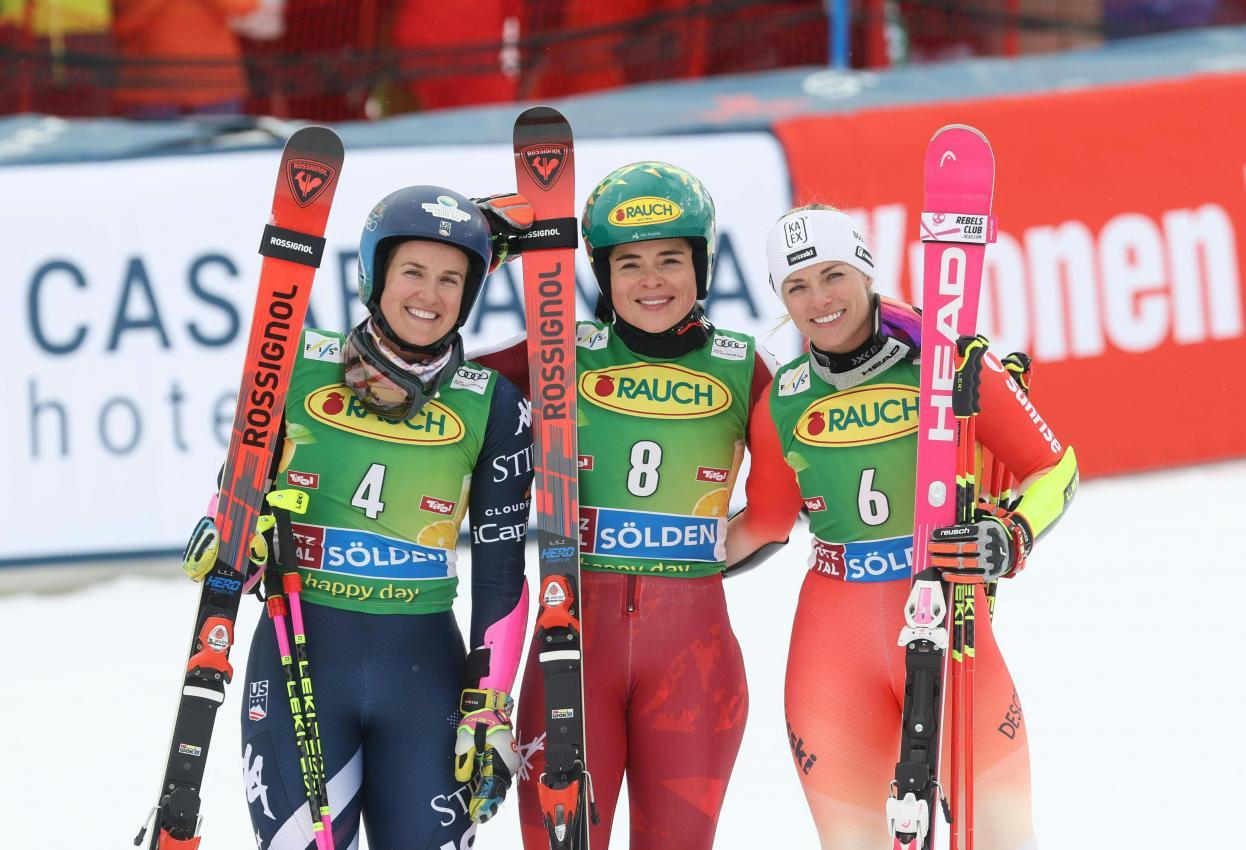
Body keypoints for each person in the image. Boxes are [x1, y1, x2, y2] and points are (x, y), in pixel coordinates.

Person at [182, 186, 534, 849]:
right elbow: (236, 496)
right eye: (412, 272)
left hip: (426, 683)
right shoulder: (294, 366)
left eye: (451, 279)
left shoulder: (493, 405)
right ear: (376, 276)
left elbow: (501, 573)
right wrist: (233, 536)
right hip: (300, 662)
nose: (429, 295)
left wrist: (489, 702)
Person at [728, 205, 1079, 849]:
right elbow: (764, 525)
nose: (818, 300)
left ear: (867, 271)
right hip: (833, 649)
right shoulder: (783, 399)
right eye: (796, 286)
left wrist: (1011, 535)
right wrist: (647, 553)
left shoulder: (951, 365)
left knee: (1002, 839)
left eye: (833, 275)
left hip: (951, 626)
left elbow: (1055, 467)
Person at [472, 161, 777, 849]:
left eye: (671, 259)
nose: (650, 281)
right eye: (628, 263)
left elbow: (805, 467)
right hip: (571, 649)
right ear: (602, 275)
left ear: (702, 265)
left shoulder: (742, 365)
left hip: (695, 660)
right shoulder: (559, 353)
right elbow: (428, 373)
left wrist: (896, 334)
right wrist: (478, 248)